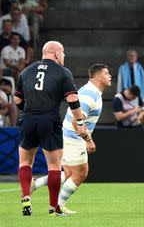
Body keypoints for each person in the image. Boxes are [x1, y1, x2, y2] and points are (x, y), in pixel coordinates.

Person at [14, 41, 87, 216]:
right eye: (62, 53)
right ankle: (53, 207)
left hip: (28, 118)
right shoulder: (63, 72)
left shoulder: (26, 71)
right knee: (54, 166)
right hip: (49, 119)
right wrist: (79, 121)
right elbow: (72, 99)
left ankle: (26, 199)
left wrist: (28, 113)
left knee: (25, 163)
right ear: (55, 53)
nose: (63, 56)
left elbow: (17, 101)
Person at [30, 64, 111, 214]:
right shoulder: (89, 95)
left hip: (66, 135)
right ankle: (57, 206)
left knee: (68, 173)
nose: (110, 76)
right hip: (73, 137)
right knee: (80, 173)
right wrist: (88, 140)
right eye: (107, 73)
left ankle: (35, 184)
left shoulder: (91, 92)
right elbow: (76, 121)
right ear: (98, 77)